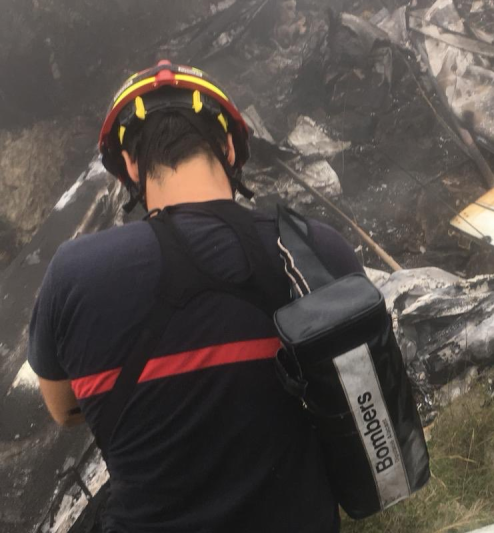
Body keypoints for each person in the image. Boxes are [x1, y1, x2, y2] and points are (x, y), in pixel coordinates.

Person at [27, 60, 361, 532]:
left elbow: (64, 412)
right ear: (228, 146)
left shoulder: (73, 274)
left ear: (130, 164)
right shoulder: (317, 248)